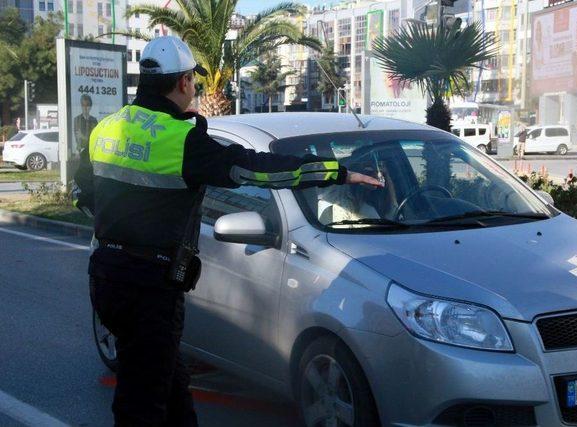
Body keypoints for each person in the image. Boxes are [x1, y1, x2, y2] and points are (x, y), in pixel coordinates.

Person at [73, 36, 382, 427]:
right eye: (193, 82)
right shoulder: (182, 140)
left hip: (105, 277)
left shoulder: (107, 128)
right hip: (149, 289)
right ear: (183, 82)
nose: (195, 90)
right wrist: (337, 172)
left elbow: (79, 192)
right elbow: (257, 168)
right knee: (141, 404)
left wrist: (118, 228)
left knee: (168, 386)